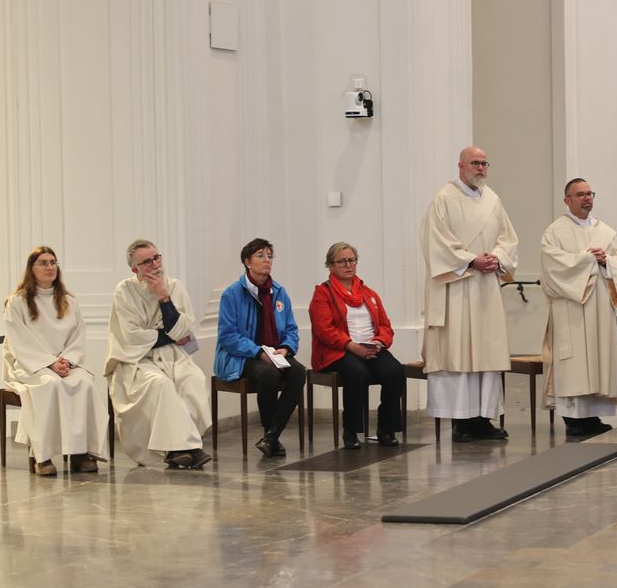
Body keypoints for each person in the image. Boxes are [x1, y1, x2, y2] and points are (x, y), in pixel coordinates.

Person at [420, 146, 520, 443]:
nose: (480, 168)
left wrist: (497, 257)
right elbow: (435, 243)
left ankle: (483, 419)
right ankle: (461, 421)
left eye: (484, 163)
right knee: (459, 351)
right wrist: (470, 260)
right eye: (475, 163)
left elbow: (509, 239)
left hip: (486, 286)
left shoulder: (493, 199)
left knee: (486, 352)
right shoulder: (443, 199)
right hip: (457, 287)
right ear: (460, 166)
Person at [105, 240, 212, 469]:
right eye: (147, 261)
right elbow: (133, 337)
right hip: (135, 360)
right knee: (160, 384)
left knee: (192, 380)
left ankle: (177, 451)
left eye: (157, 257)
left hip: (172, 355)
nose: (155, 264)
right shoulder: (124, 291)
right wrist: (169, 334)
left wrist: (164, 297)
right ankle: (188, 448)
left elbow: (184, 329)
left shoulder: (174, 286)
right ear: (135, 269)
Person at [3, 246, 107, 477]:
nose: (50, 267)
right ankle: (43, 456)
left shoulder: (69, 301)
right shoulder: (17, 302)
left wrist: (66, 361)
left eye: (53, 262)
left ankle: (81, 453)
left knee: (84, 383)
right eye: (43, 262)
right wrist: (49, 363)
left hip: (67, 363)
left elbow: (78, 336)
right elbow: (20, 341)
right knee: (50, 385)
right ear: (32, 268)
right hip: (32, 365)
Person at [540, 178, 617, 437]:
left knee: (599, 358)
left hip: (600, 306)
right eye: (580, 194)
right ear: (567, 200)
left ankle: (593, 416)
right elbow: (552, 267)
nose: (586, 198)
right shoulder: (555, 232)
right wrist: (589, 260)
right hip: (572, 308)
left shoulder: (606, 232)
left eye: (590, 193)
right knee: (576, 360)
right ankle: (573, 418)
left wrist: (606, 261)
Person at [308, 242, 404, 449]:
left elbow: (385, 325)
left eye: (351, 260)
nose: (348, 265)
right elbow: (323, 329)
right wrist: (351, 346)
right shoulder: (323, 293)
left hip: (370, 347)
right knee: (357, 372)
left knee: (395, 371)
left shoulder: (368, 292)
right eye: (342, 261)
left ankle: (386, 428)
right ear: (330, 266)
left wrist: (379, 342)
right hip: (339, 350)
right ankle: (351, 430)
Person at [215, 238, 305, 458]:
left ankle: (272, 435)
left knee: (299, 372)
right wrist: (258, 352)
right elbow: (228, 336)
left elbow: (292, 330)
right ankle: (270, 433)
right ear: (247, 262)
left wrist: (285, 348)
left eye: (269, 256)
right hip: (241, 356)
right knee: (269, 375)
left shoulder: (279, 292)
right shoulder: (232, 294)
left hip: (274, 352)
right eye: (260, 256)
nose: (267, 261)